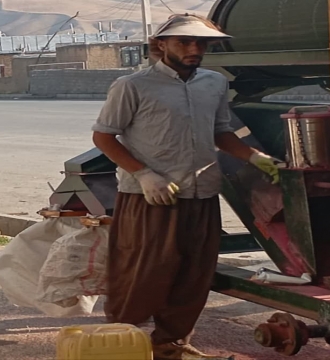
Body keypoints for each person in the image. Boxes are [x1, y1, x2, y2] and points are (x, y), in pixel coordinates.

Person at [91, 14, 281, 360]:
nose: (195, 49)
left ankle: (170, 346)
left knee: (193, 277)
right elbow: (104, 136)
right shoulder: (132, 85)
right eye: (184, 42)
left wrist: (254, 157)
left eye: (202, 43)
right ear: (160, 44)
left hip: (202, 193)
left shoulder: (213, 84)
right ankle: (119, 345)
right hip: (150, 198)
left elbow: (220, 132)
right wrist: (145, 174)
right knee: (141, 275)